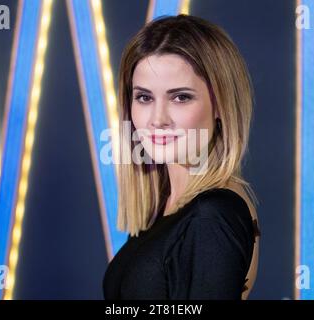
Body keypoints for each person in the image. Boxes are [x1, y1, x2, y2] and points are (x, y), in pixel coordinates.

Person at [103, 14, 261, 300]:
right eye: (144, 98)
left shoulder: (211, 216)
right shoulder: (166, 205)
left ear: (220, 105)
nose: (158, 119)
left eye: (180, 97)